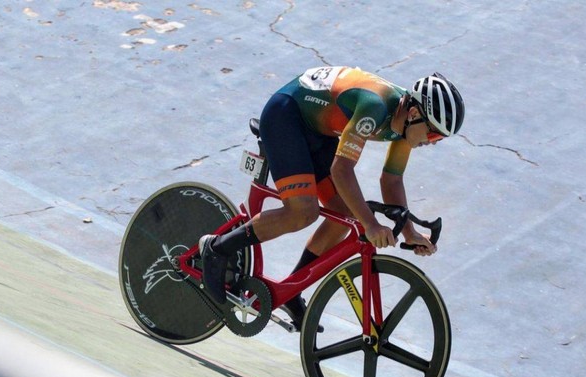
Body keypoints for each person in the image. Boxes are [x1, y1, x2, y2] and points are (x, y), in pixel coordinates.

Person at [199, 66, 465, 330]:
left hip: (320, 130)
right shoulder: (376, 106)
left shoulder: (405, 124)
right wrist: (371, 224)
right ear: (415, 113)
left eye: (440, 138)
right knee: (303, 211)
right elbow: (341, 169)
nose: (433, 142)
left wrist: (409, 232)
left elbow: (391, 180)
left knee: (345, 217)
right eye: (433, 133)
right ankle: (216, 248)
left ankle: (290, 290)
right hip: (287, 116)